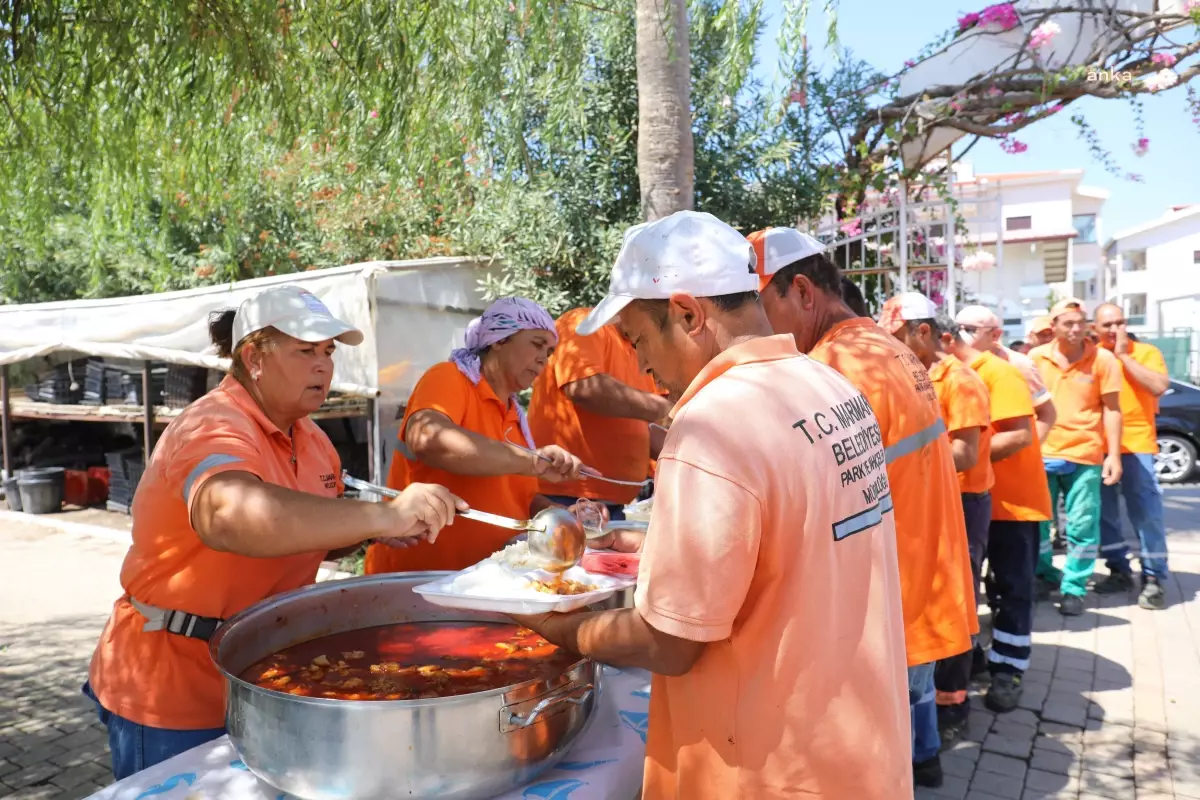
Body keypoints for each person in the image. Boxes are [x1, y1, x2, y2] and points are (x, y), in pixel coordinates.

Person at [514, 211, 911, 799]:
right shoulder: (830, 387)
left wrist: (555, 628)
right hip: (859, 753)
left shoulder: (711, 426)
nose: (643, 366)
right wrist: (655, 544)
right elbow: (794, 540)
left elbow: (668, 644)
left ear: (688, 314)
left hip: (765, 770)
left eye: (639, 340)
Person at [84, 286, 466, 779]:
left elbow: (313, 525)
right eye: (305, 350)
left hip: (262, 672)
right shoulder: (212, 425)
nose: (324, 365)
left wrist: (372, 530)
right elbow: (228, 515)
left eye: (328, 351)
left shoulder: (312, 439)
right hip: (174, 683)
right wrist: (382, 517)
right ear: (253, 357)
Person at [750, 226, 975, 789]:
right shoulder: (881, 347)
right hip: (918, 593)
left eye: (756, 308)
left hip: (880, 611)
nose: (751, 329)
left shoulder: (833, 369)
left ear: (802, 292)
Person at [368, 297, 588, 574]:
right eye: (536, 343)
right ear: (499, 340)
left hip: (487, 582)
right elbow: (427, 438)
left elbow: (520, 498)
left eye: (550, 351)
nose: (544, 358)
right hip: (424, 579)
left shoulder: (516, 416)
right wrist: (533, 462)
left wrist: (558, 515)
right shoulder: (449, 378)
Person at [883, 294, 992, 741]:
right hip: (931, 499)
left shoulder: (958, 379)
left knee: (952, 602)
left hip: (962, 503)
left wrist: (900, 463)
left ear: (922, 332)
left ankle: (953, 708)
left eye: (895, 339)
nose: (888, 349)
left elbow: (965, 453)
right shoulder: (916, 375)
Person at [944, 318, 1052, 713]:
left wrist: (962, 454)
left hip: (1011, 501)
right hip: (970, 498)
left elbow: (1022, 434)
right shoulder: (951, 374)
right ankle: (973, 657)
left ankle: (1008, 668)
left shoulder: (999, 372)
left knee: (1010, 585)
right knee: (970, 585)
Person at [527, 307, 671, 520]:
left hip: (617, 503)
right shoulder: (586, 322)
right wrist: (668, 409)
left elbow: (644, 429)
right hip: (565, 493)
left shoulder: (637, 351)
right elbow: (584, 388)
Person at [1029, 299, 1124, 616]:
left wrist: (1114, 455)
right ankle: (1045, 575)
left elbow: (1112, 409)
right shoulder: (1035, 358)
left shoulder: (1103, 359)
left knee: (1082, 524)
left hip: (1085, 453)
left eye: (1079, 322)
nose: (1074, 328)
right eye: (1066, 322)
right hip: (1041, 451)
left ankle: (1074, 588)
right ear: (1052, 326)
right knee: (1039, 523)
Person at [956, 306, 1062, 559]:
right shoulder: (953, 367)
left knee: (1012, 574)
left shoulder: (1018, 365)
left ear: (995, 335)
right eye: (958, 328)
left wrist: (1024, 448)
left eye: (970, 330)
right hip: (973, 486)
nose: (962, 336)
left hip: (1012, 488)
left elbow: (1047, 414)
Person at [1091, 303, 1171, 610]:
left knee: (1146, 512)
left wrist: (1123, 355)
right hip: (1099, 445)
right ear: (1095, 328)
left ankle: (1153, 578)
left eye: (1119, 322)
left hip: (1137, 444)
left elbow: (1159, 386)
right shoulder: (1092, 355)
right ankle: (1118, 569)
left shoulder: (1146, 352)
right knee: (1105, 514)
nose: (1114, 329)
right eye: (1107, 324)